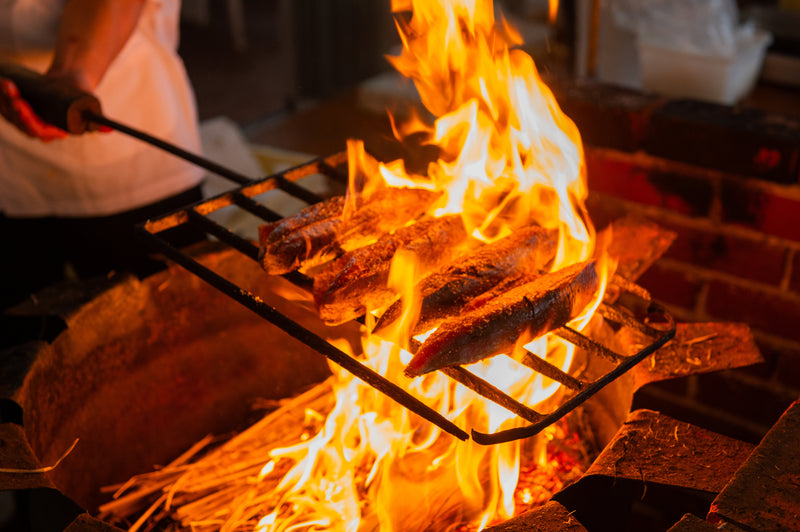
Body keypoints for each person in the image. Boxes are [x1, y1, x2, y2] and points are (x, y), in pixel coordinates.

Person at [0, 0, 206, 310]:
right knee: (28, 337)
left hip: (129, 154)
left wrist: (72, 73)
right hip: (9, 172)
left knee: (177, 323)